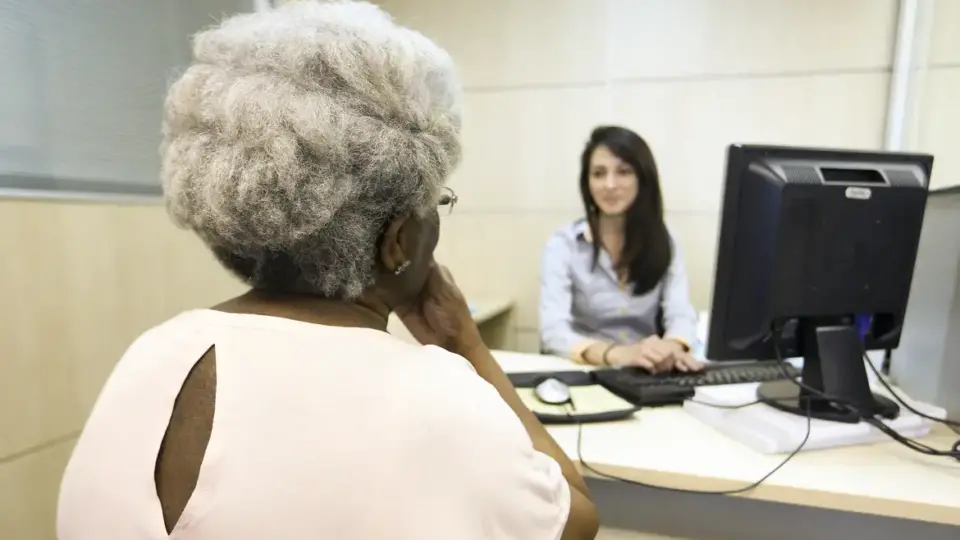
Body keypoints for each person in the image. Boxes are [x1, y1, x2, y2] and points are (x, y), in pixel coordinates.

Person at [57, 3, 599, 539]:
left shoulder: (152, 355)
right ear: (399, 240)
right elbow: (576, 519)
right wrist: (470, 349)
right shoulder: (442, 398)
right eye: (439, 200)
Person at [539, 126, 701, 372]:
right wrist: (617, 354)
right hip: (588, 370)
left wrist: (672, 347)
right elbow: (553, 330)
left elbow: (680, 314)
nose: (610, 185)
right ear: (587, 182)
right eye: (598, 173)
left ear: (642, 178)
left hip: (648, 371)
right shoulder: (564, 243)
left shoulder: (665, 240)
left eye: (624, 172)